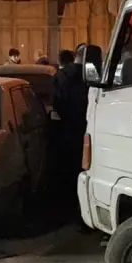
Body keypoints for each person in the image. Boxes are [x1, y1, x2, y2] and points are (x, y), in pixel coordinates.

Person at [52, 49, 90, 186]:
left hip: (66, 125)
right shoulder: (89, 74)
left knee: (67, 162)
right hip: (86, 124)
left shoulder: (59, 76)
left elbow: (56, 101)